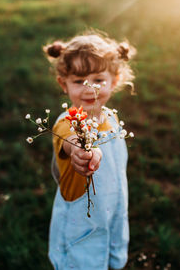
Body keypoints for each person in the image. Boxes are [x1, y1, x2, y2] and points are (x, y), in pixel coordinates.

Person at [43, 30, 136, 270]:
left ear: (114, 82)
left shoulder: (112, 119)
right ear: (63, 84)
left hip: (112, 207)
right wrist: (79, 149)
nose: (89, 89)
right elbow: (69, 139)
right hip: (81, 220)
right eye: (78, 81)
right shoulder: (67, 122)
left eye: (98, 80)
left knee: (109, 254)